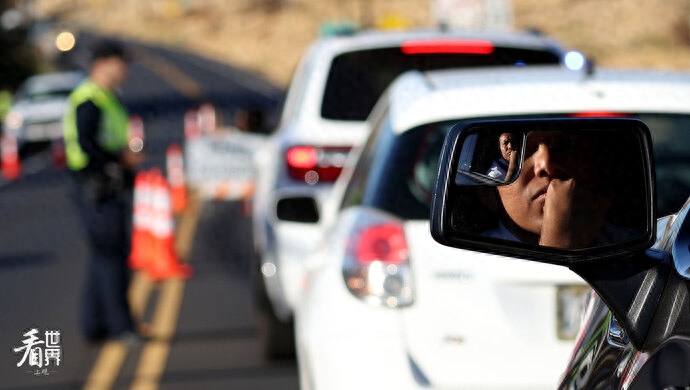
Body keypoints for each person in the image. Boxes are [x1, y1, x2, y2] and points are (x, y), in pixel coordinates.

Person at [62, 40, 146, 343]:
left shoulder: (108, 97)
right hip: (95, 188)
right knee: (112, 257)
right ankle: (120, 325)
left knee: (103, 256)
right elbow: (86, 146)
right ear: (105, 62)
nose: (126, 70)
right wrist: (120, 159)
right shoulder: (90, 99)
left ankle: (93, 325)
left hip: (107, 186)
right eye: (122, 62)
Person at [483, 131, 615, 249]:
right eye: (522, 147)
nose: (548, 164)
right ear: (488, 194)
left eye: (565, 145)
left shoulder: (624, 241)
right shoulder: (479, 257)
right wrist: (559, 248)